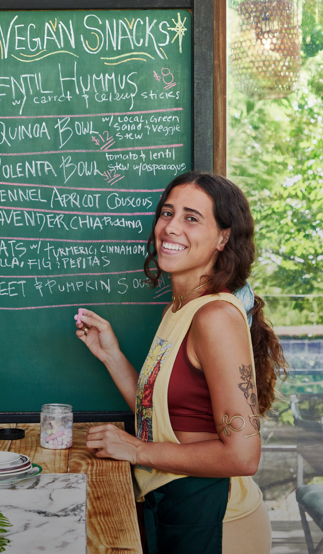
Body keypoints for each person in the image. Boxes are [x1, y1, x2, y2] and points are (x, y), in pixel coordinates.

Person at [75, 172, 287, 554]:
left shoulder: (215, 317)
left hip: (219, 520)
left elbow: (242, 456)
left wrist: (136, 450)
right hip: (175, 505)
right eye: (167, 213)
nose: (171, 227)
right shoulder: (178, 309)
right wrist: (111, 354)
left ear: (223, 237)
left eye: (192, 218)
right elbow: (158, 416)